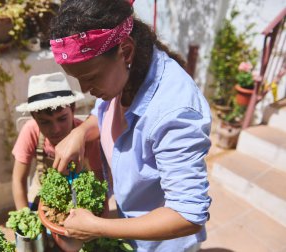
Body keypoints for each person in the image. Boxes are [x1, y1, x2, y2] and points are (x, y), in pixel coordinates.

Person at [49, 0, 212, 251]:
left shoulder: (175, 110)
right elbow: (103, 114)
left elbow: (187, 215)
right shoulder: (125, 73)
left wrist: (97, 227)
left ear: (125, 51)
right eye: (77, 79)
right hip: (134, 229)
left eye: (89, 78)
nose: (84, 90)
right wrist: (81, 132)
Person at [11, 72, 103, 210]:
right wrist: (24, 217)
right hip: (43, 189)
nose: (55, 129)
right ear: (34, 117)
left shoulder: (86, 135)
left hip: (78, 192)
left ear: (72, 109)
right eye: (44, 122)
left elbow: (99, 175)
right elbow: (18, 180)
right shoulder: (31, 131)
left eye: (62, 119)